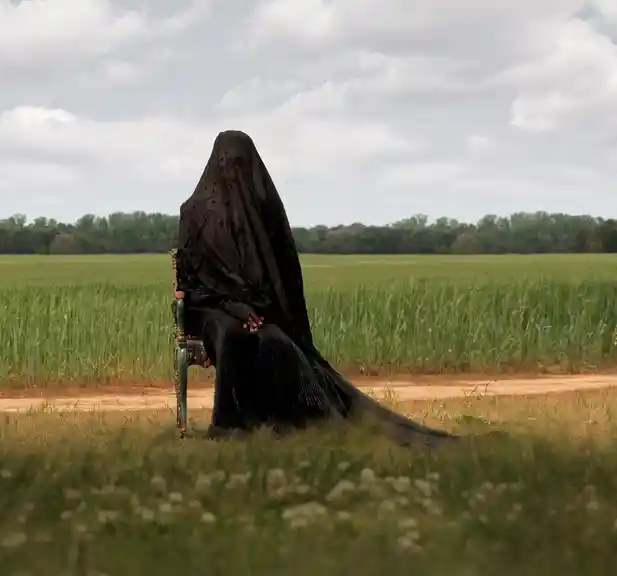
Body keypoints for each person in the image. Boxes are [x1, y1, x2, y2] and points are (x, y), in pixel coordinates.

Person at [175, 130, 455, 445]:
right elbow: (190, 280)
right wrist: (233, 306)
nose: (234, 171)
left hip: (258, 310)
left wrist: (257, 309)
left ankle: (281, 422)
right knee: (232, 334)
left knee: (276, 342)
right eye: (229, 162)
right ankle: (229, 425)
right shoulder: (193, 212)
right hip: (210, 307)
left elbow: (277, 275)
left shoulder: (260, 210)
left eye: (240, 163)